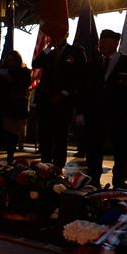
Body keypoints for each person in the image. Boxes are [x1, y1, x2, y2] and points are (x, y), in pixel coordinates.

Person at [77, 29, 127, 189]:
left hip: (120, 113)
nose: (101, 44)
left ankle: (119, 179)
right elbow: (84, 90)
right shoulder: (93, 64)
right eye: (100, 42)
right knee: (94, 147)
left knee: (121, 148)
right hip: (95, 113)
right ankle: (94, 177)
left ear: (115, 43)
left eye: (105, 42)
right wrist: (80, 111)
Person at [32, 36, 87, 168]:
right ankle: (44, 167)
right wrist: (48, 48)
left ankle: (58, 168)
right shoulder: (48, 52)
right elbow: (35, 64)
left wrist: (64, 93)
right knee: (45, 136)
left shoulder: (76, 51)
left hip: (64, 102)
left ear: (66, 34)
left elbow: (81, 76)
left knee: (61, 136)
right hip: (45, 101)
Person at [0, 51, 31, 165]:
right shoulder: (1, 70)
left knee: (12, 135)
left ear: (18, 61)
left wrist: (10, 79)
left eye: (13, 60)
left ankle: (10, 157)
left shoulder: (24, 72)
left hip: (14, 108)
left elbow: (26, 84)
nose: (10, 62)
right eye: (8, 60)